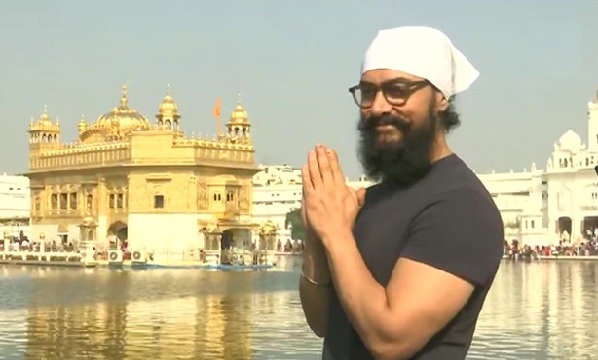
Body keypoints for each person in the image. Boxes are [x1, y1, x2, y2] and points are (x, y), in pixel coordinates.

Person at [299, 26, 505, 360]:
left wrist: (336, 234)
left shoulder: (461, 206)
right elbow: (323, 322)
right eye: (368, 93)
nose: (378, 106)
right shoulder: (373, 200)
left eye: (398, 90)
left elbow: (389, 340)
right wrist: (316, 235)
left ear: (441, 97)